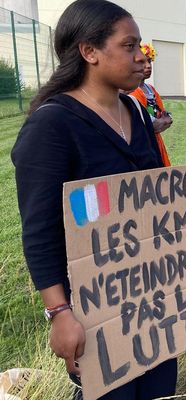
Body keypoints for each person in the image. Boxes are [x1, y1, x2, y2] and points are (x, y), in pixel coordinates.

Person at [11, 1, 176, 399]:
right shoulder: (51, 126)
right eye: (129, 45)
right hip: (95, 312)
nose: (141, 57)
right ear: (90, 52)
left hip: (152, 301)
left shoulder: (136, 112)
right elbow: (40, 231)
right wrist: (60, 313)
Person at [129, 42, 173, 166]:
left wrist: (161, 121)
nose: (148, 66)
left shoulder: (151, 89)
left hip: (157, 142)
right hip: (144, 145)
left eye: (149, 61)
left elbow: (164, 117)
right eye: (142, 62)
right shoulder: (131, 92)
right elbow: (150, 124)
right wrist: (157, 123)